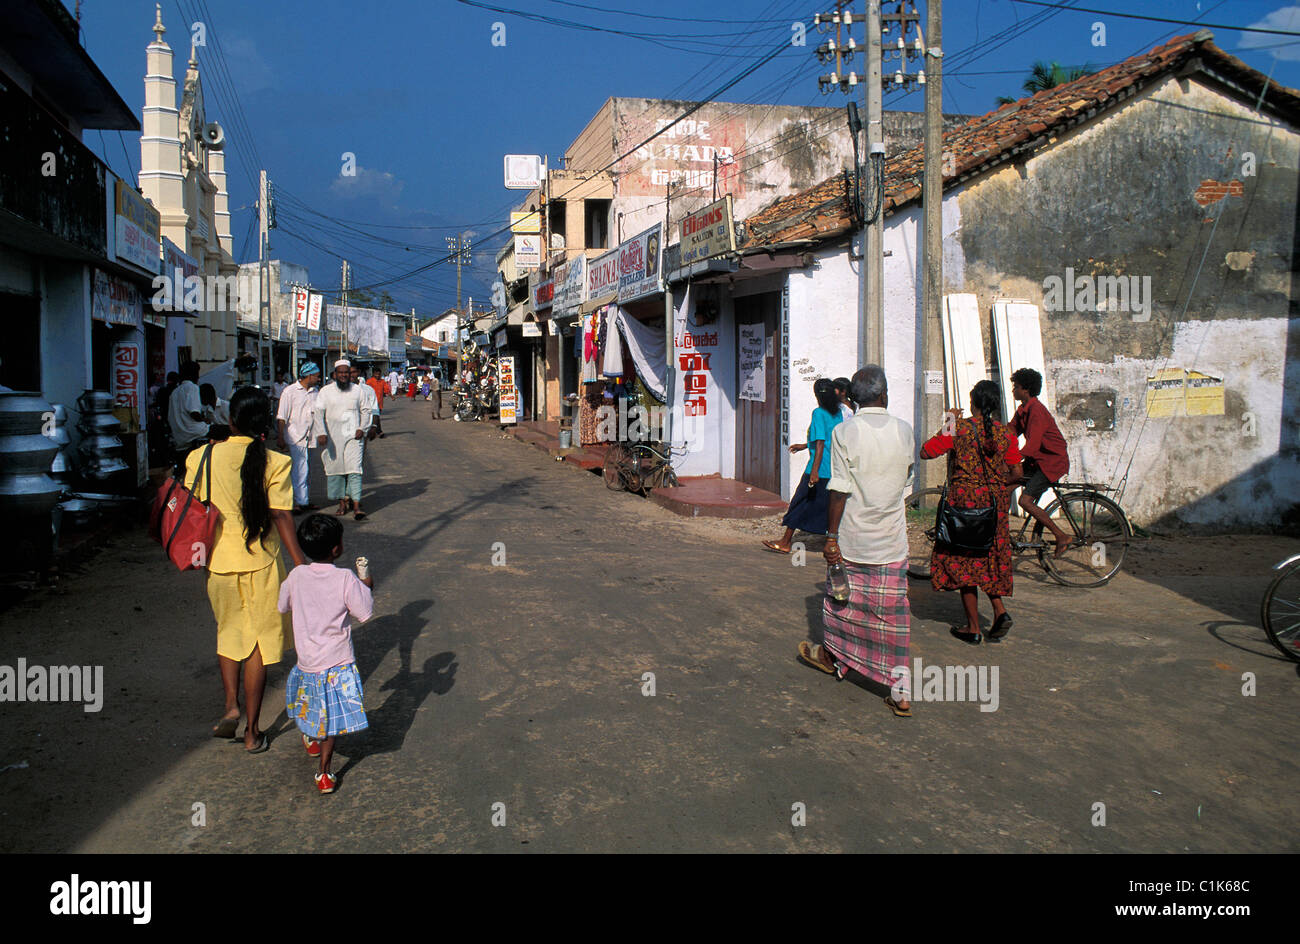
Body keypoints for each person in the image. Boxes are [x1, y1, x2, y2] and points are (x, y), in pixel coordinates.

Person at [187, 386, 307, 752]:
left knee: (229, 634)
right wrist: (301, 564)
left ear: (230, 419)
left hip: (220, 563)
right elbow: (281, 516)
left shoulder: (201, 457)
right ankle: (253, 733)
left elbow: (195, 506)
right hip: (264, 563)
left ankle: (230, 708)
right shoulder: (276, 462)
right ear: (264, 423)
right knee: (257, 645)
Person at [799, 366, 917, 717]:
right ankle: (901, 692)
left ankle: (834, 657)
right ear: (885, 394)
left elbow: (838, 489)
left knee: (841, 608)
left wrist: (830, 538)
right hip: (891, 542)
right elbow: (906, 477)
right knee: (893, 619)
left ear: (852, 398)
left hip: (854, 539)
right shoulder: (905, 431)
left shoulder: (846, 432)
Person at [920, 379, 1023, 645]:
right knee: (989, 558)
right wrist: (998, 488)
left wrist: (948, 421)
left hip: (964, 504)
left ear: (973, 403)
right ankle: (999, 611)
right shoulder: (1007, 434)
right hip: (995, 506)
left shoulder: (960, 429)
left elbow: (927, 452)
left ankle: (973, 627)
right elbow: (1017, 474)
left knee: (966, 560)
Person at [279, 514, 374, 794]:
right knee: (329, 721)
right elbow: (364, 612)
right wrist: (366, 581)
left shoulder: (296, 575)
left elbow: (282, 606)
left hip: (307, 662)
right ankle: (324, 772)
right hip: (336, 664)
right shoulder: (345, 578)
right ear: (336, 549)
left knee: (311, 706)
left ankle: (310, 737)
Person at [763, 378, 843, 554]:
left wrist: (814, 471)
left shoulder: (818, 413)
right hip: (833, 469)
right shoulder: (837, 413)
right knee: (827, 507)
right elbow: (828, 439)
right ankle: (832, 542)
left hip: (817, 469)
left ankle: (786, 541)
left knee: (799, 503)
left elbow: (821, 443)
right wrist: (805, 445)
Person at [1010, 367, 1072, 558]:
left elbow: (1033, 445)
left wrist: (1011, 459)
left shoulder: (1036, 411)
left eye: (1016, 387)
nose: (1013, 390)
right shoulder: (1023, 410)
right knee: (1005, 484)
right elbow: (1010, 431)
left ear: (1025, 390)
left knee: (1025, 501)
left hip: (1051, 462)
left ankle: (1061, 535)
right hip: (1037, 460)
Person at [314, 359, 372, 521]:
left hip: (354, 436)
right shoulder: (325, 391)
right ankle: (341, 503)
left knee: (355, 469)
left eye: (346, 373)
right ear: (335, 374)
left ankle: (356, 506)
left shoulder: (357, 391)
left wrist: (362, 428)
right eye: (340, 373)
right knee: (337, 469)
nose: (344, 375)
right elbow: (318, 413)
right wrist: (321, 432)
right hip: (333, 437)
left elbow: (366, 410)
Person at [276, 362, 322, 514]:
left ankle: (304, 499)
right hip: (295, 436)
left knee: (308, 469)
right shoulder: (290, 391)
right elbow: (282, 416)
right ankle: (299, 502)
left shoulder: (315, 392)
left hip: (311, 436)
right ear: (309, 376)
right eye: (316, 376)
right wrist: (280, 436)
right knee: (299, 470)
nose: (318, 378)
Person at [168, 361, 209, 467]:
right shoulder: (192, 388)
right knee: (223, 430)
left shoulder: (174, 392)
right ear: (195, 374)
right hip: (193, 433)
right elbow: (194, 413)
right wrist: (205, 419)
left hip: (180, 438)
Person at [365, 367, 387, 438]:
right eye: (376, 374)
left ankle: (376, 431)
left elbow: (386, 389)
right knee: (376, 417)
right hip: (371, 403)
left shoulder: (382, 381)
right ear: (373, 374)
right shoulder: (369, 381)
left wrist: (391, 395)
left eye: (379, 374)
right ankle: (379, 431)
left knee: (376, 417)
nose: (378, 376)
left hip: (379, 403)